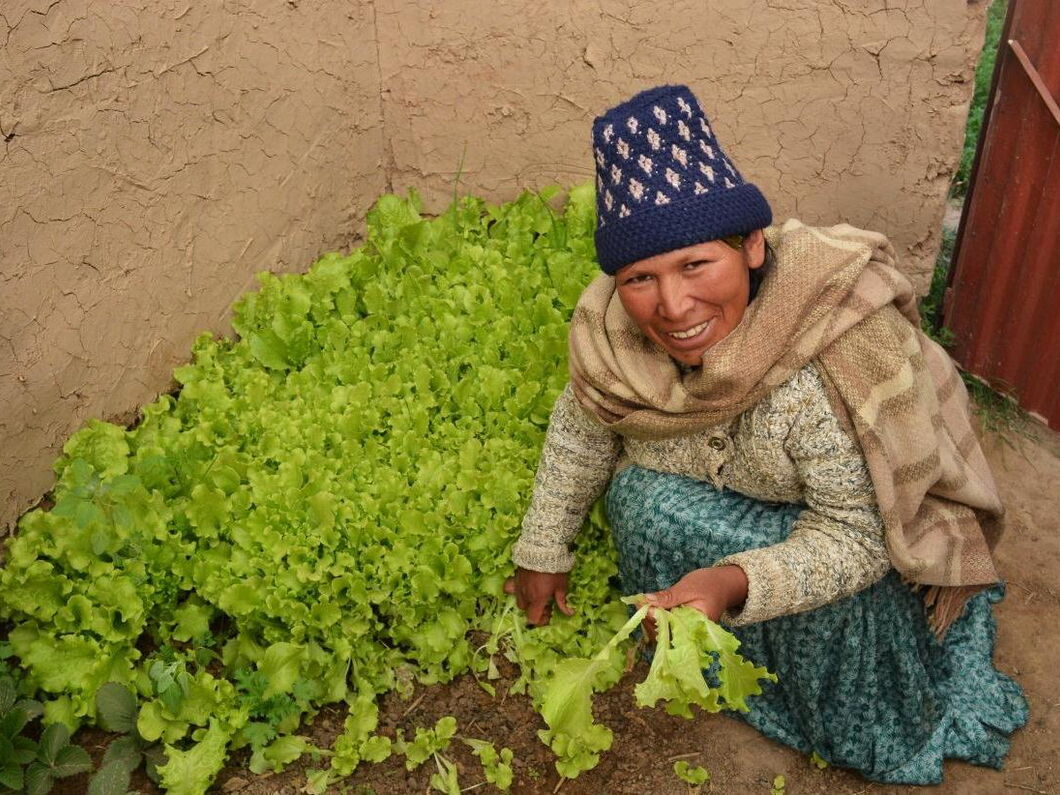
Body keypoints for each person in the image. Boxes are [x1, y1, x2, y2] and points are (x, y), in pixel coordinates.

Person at [504, 84, 1028, 784]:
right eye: (640, 277)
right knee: (638, 502)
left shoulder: (825, 359)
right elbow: (583, 431)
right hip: (748, 512)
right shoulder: (614, 339)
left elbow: (859, 535)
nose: (673, 305)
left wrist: (732, 580)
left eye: (697, 264)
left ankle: (812, 688)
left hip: (857, 537)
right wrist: (543, 546)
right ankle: (715, 650)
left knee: (849, 604)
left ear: (751, 245)